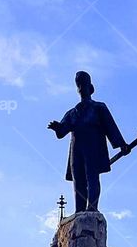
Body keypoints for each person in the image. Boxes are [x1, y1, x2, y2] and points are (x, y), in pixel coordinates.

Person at [48, 71, 130, 212]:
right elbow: (62, 132)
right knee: (78, 180)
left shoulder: (99, 108)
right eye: (79, 85)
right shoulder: (72, 112)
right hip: (76, 150)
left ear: (90, 88)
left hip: (93, 148)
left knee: (92, 178)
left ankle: (92, 208)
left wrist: (121, 144)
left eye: (83, 85)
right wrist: (57, 128)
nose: (81, 88)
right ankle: (79, 210)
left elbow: (110, 126)